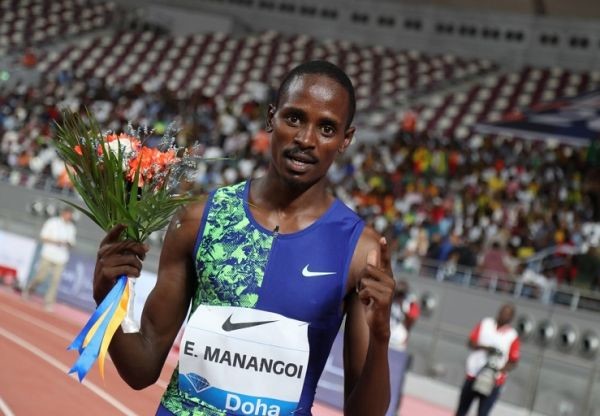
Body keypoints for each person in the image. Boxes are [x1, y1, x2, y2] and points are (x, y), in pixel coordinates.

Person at [93, 60, 396, 416]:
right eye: (294, 118)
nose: (305, 139)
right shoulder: (198, 220)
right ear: (271, 117)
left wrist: (380, 340)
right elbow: (141, 369)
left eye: (326, 128)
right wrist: (105, 296)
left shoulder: (359, 251)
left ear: (346, 139)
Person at [455, 303, 520, 416]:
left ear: (511, 317)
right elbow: (471, 342)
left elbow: (513, 361)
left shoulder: (512, 335)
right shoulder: (486, 324)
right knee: (461, 411)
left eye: (507, 314)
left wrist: (498, 370)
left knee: (483, 413)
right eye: (502, 312)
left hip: (493, 381)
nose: (503, 315)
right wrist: (486, 348)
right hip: (474, 374)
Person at [23, 207, 77, 311]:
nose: (69, 216)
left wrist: (68, 244)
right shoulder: (52, 222)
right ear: (63, 213)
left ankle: (48, 302)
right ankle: (29, 290)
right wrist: (57, 242)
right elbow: (43, 237)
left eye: (70, 215)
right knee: (40, 277)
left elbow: (72, 243)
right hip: (48, 254)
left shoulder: (71, 228)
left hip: (61, 258)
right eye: (68, 214)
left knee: (55, 281)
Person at [388, 280, 420, 415]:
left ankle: (393, 407)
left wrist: (403, 307)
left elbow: (411, 322)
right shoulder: (390, 296)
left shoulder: (410, 303)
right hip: (384, 339)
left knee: (394, 377)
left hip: (399, 343)